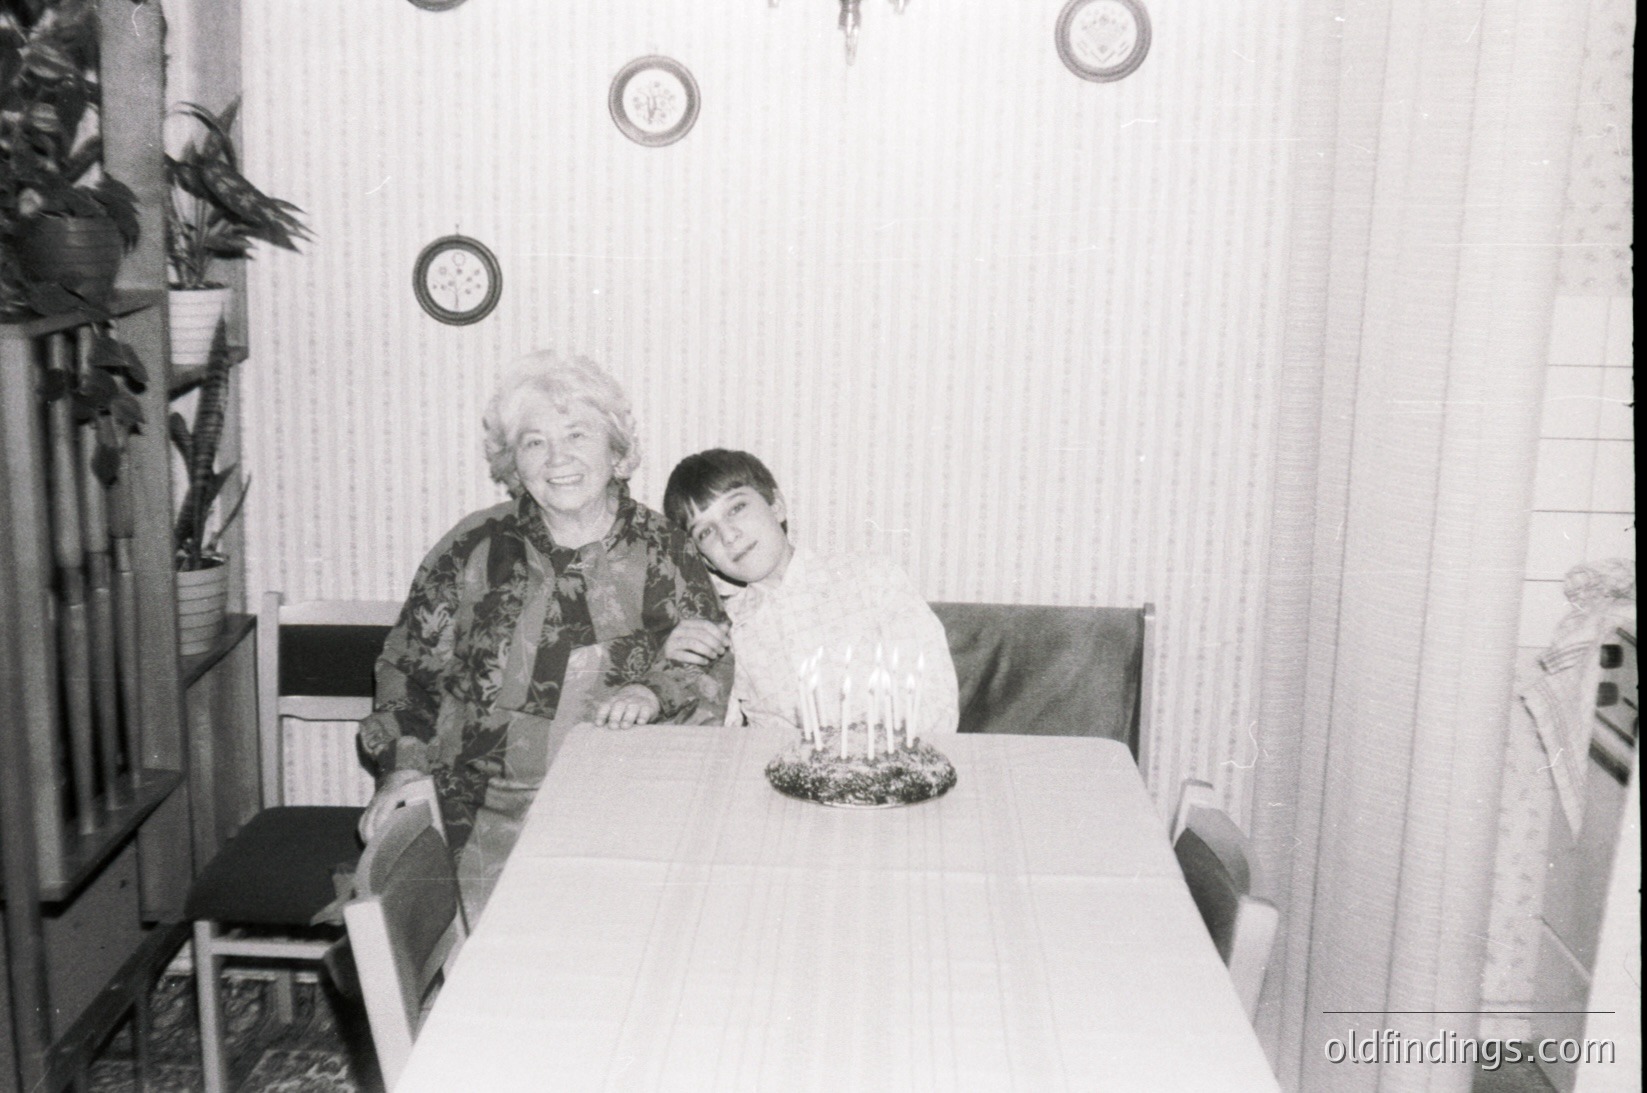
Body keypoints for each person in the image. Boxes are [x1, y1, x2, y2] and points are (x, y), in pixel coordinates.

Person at [357, 354, 731, 919]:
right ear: (514, 463)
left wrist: (653, 688)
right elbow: (406, 668)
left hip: (620, 815)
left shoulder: (665, 548)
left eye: (578, 434)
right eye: (535, 442)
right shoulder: (473, 546)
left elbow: (707, 666)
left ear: (616, 449)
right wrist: (404, 767)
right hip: (472, 813)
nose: (559, 459)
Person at [660, 448, 958, 738]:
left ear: (776, 505)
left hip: (892, 771)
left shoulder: (871, 578)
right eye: (706, 532)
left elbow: (935, 702)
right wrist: (673, 662)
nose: (728, 535)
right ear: (706, 559)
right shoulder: (729, 630)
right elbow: (715, 735)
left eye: (736, 508)